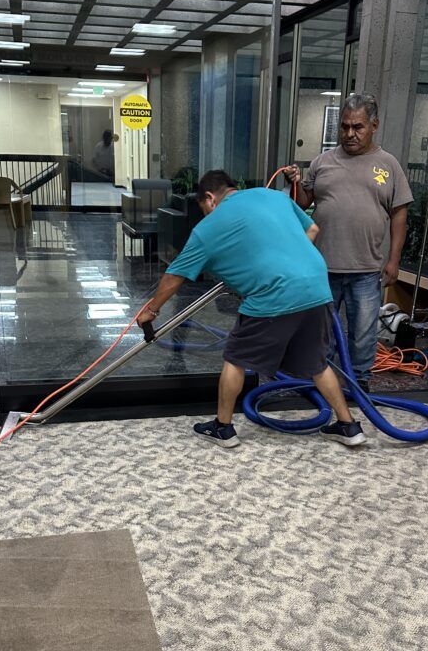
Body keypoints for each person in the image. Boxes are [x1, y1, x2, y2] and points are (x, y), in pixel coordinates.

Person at [136, 170, 366, 449]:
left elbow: (175, 276)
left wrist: (152, 310)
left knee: (235, 357)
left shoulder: (209, 228)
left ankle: (223, 428)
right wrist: (289, 262)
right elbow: (313, 229)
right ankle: (348, 425)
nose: (206, 215)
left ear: (209, 198)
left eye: (204, 209)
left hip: (273, 295)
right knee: (317, 363)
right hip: (316, 287)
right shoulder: (272, 197)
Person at [283, 92, 413, 393]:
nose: (350, 134)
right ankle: (320, 378)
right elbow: (303, 202)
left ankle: (359, 382)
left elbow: (399, 216)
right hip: (322, 265)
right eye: (344, 127)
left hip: (366, 267)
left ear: (374, 125)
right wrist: (294, 182)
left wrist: (393, 260)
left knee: (363, 332)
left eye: (358, 127)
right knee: (320, 330)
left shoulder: (388, 165)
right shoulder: (323, 162)